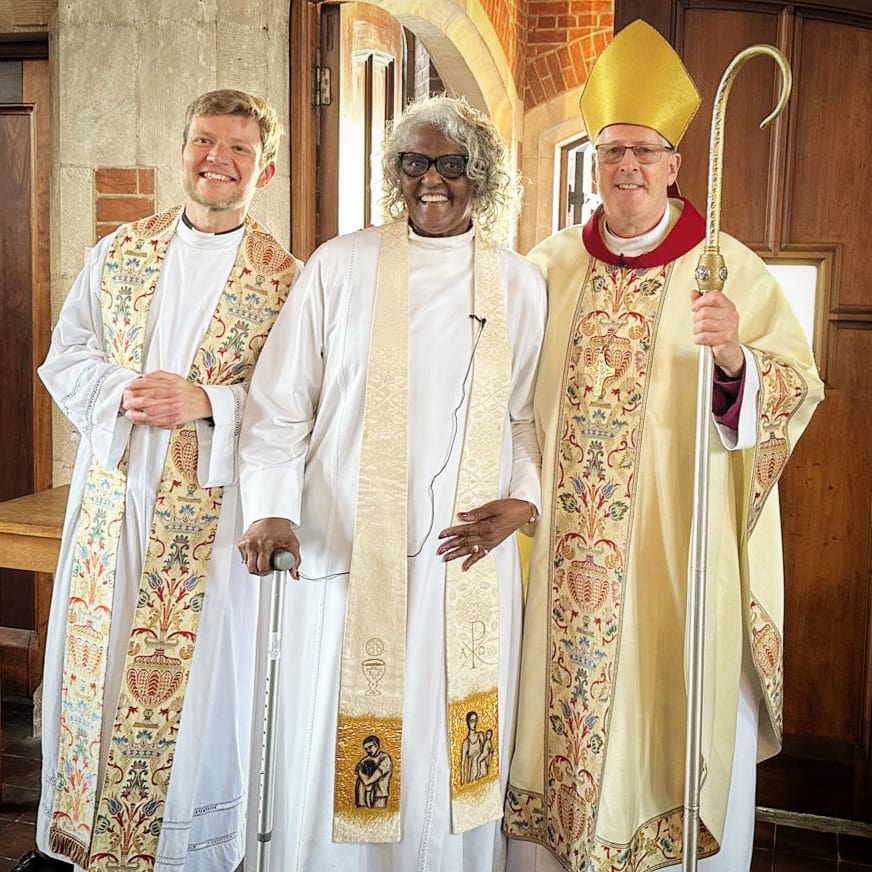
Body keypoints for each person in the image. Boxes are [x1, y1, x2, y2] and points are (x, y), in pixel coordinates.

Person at [504, 20, 823, 872]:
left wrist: (734, 359)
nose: (629, 168)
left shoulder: (729, 272)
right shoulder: (546, 266)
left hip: (675, 564)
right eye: (612, 152)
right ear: (594, 162)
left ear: (676, 164)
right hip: (560, 566)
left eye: (645, 151)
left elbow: (795, 389)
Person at [237, 94, 546, 871]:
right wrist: (272, 510)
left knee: (448, 744)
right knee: (349, 737)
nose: (431, 181)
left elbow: (525, 420)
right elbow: (278, 406)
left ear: (482, 176)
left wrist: (526, 501)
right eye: (415, 163)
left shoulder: (516, 284)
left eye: (451, 165)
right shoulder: (341, 265)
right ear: (394, 173)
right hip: (348, 548)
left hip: (464, 562)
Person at [14, 89, 300, 872]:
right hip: (116, 499)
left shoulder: (286, 280)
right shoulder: (119, 252)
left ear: (264, 167)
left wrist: (205, 400)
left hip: (211, 521)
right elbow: (66, 355)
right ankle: (81, 840)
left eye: (239, 148)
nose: (218, 159)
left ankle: (186, 853)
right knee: (98, 672)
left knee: (204, 687)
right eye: (205, 141)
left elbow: (297, 403)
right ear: (181, 152)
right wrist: (122, 391)